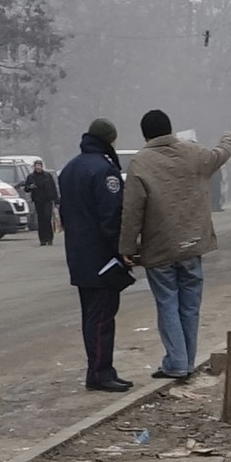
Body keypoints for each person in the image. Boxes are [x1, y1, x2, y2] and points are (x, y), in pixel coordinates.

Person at [120, 110, 231, 380]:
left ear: (145, 134)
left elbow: (132, 210)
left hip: (159, 248)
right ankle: (186, 360)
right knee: (190, 306)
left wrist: (127, 247)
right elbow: (221, 153)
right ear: (170, 130)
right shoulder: (194, 153)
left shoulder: (140, 163)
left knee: (167, 303)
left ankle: (176, 362)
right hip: (192, 246)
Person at [60, 118, 132, 393]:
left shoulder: (70, 168)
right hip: (102, 258)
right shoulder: (104, 171)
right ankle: (101, 372)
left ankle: (98, 369)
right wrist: (123, 251)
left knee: (91, 317)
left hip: (78, 255)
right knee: (102, 318)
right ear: (110, 140)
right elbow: (111, 217)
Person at [25, 160, 59, 246]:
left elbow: (53, 187)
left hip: (48, 200)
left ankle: (49, 238)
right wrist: (30, 187)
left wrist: (56, 200)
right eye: (36, 166)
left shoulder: (47, 176)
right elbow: (26, 188)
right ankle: (42, 239)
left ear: (42, 166)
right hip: (38, 200)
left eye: (39, 165)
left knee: (47, 218)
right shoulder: (31, 177)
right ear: (34, 167)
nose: (38, 167)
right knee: (41, 220)